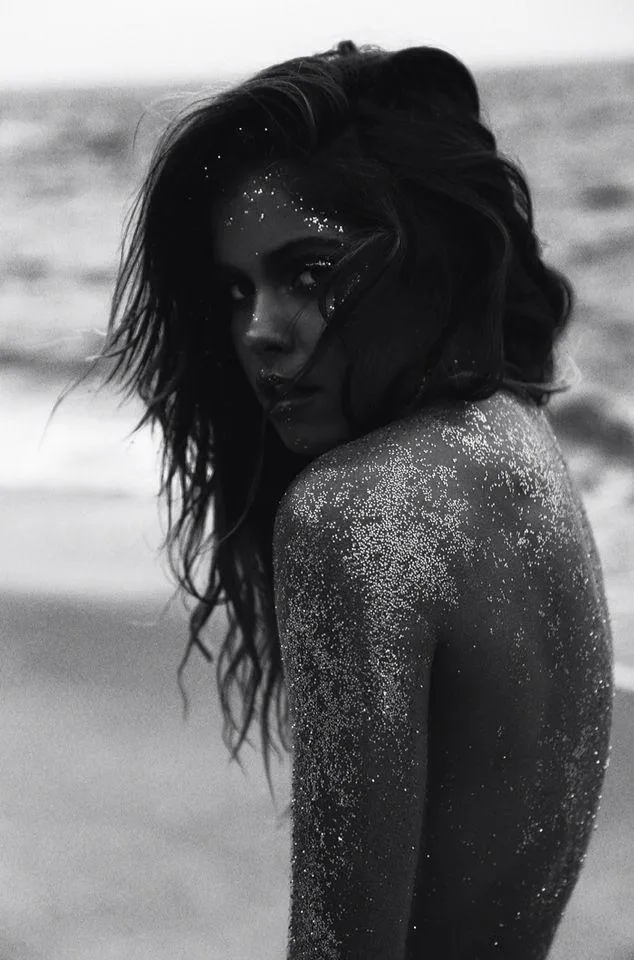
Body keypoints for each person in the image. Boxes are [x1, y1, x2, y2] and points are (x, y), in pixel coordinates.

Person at [99, 39, 614, 959]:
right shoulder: (514, 437)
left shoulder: (357, 511)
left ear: (431, 252)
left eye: (309, 271)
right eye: (235, 289)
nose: (257, 331)